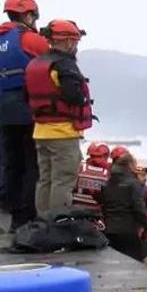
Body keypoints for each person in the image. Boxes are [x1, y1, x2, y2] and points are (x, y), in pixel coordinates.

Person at [26, 19, 94, 219]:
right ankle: (58, 224)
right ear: (68, 41)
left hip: (40, 131)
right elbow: (73, 96)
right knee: (63, 180)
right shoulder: (65, 65)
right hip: (63, 132)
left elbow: (27, 95)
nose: (76, 46)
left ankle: (42, 221)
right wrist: (82, 98)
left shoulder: (35, 63)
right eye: (75, 41)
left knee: (45, 179)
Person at [0, 0, 48, 229]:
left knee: (10, 162)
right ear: (28, 15)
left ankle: (9, 211)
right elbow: (53, 65)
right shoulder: (32, 40)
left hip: (3, 112)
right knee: (33, 164)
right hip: (27, 111)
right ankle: (26, 216)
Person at [96, 153, 147, 262]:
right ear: (130, 165)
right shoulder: (133, 184)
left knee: (111, 263)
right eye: (135, 164)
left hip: (109, 230)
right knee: (133, 265)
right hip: (128, 231)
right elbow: (139, 208)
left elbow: (103, 206)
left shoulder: (107, 183)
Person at [70, 141, 111, 212]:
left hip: (76, 210)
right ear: (106, 155)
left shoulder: (80, 168)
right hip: (97, 213)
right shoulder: (109, 173)